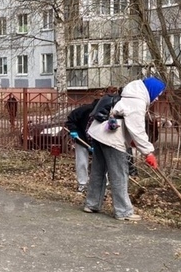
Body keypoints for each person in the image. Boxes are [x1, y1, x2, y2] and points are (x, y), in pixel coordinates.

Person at [84, 77, 166, 221]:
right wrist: (148, 152)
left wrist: (137, 144)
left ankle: (92, 204)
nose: (158, 98)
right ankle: (123, 211)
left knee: (98, 171)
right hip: (112, 139)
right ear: (151, 90)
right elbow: (137, 129)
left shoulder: (128, 94)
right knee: (119, 174)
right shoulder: (137, 102)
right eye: (158, 94)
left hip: (98, 133)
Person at [65, 98, 98, 193]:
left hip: (98, 141)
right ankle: (82, 184)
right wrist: (73, 131)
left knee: (102, 164)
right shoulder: (84, 110)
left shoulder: (108, 113)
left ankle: (104, 185)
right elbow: (71, 119)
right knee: (82, 162)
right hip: (82, 138)